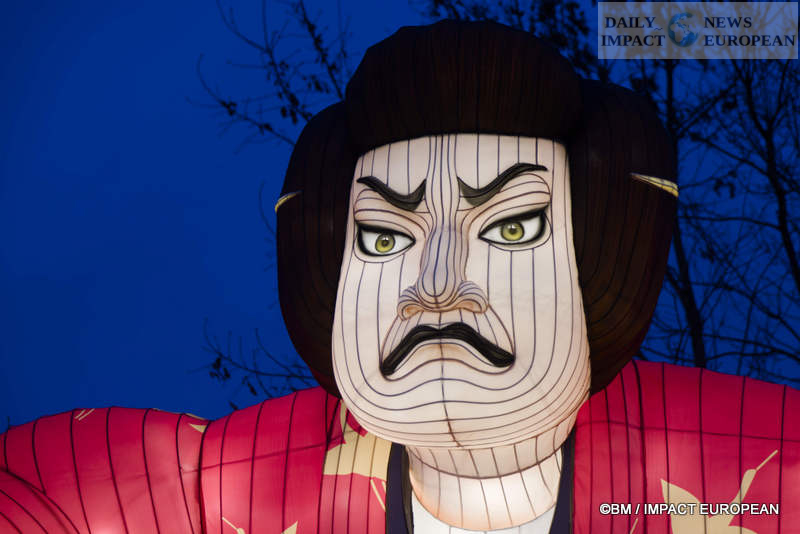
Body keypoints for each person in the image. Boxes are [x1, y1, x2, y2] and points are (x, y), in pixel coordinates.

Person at [1, 20, 796, 534]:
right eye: (385, 237)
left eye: (511, 228)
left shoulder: (756, 458)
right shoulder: (221, 485)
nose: (438, 285)